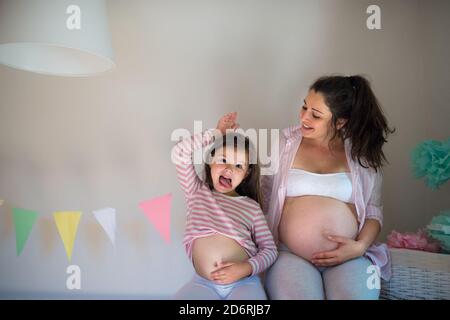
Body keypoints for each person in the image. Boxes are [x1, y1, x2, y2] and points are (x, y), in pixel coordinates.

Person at [263, 75, 395, 299]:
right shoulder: (285, 144)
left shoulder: (360, 155)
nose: (304, 117)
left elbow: (373, 211)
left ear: (340, 121)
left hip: (348, 255)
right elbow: (263, 196)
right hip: (291, 254)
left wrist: (359, 247)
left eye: (315, 115)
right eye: (304, 107)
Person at [173, 112, 278, 300]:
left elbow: (270, 251)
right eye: (223, 160)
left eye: (239, 166)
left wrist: (245, 268)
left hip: (244, 283)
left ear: (246, 174)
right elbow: (179, 152)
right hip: (203, 284)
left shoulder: (251, 208)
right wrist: (217, 133)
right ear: (211, 160)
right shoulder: (197, 192)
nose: (229, 169)